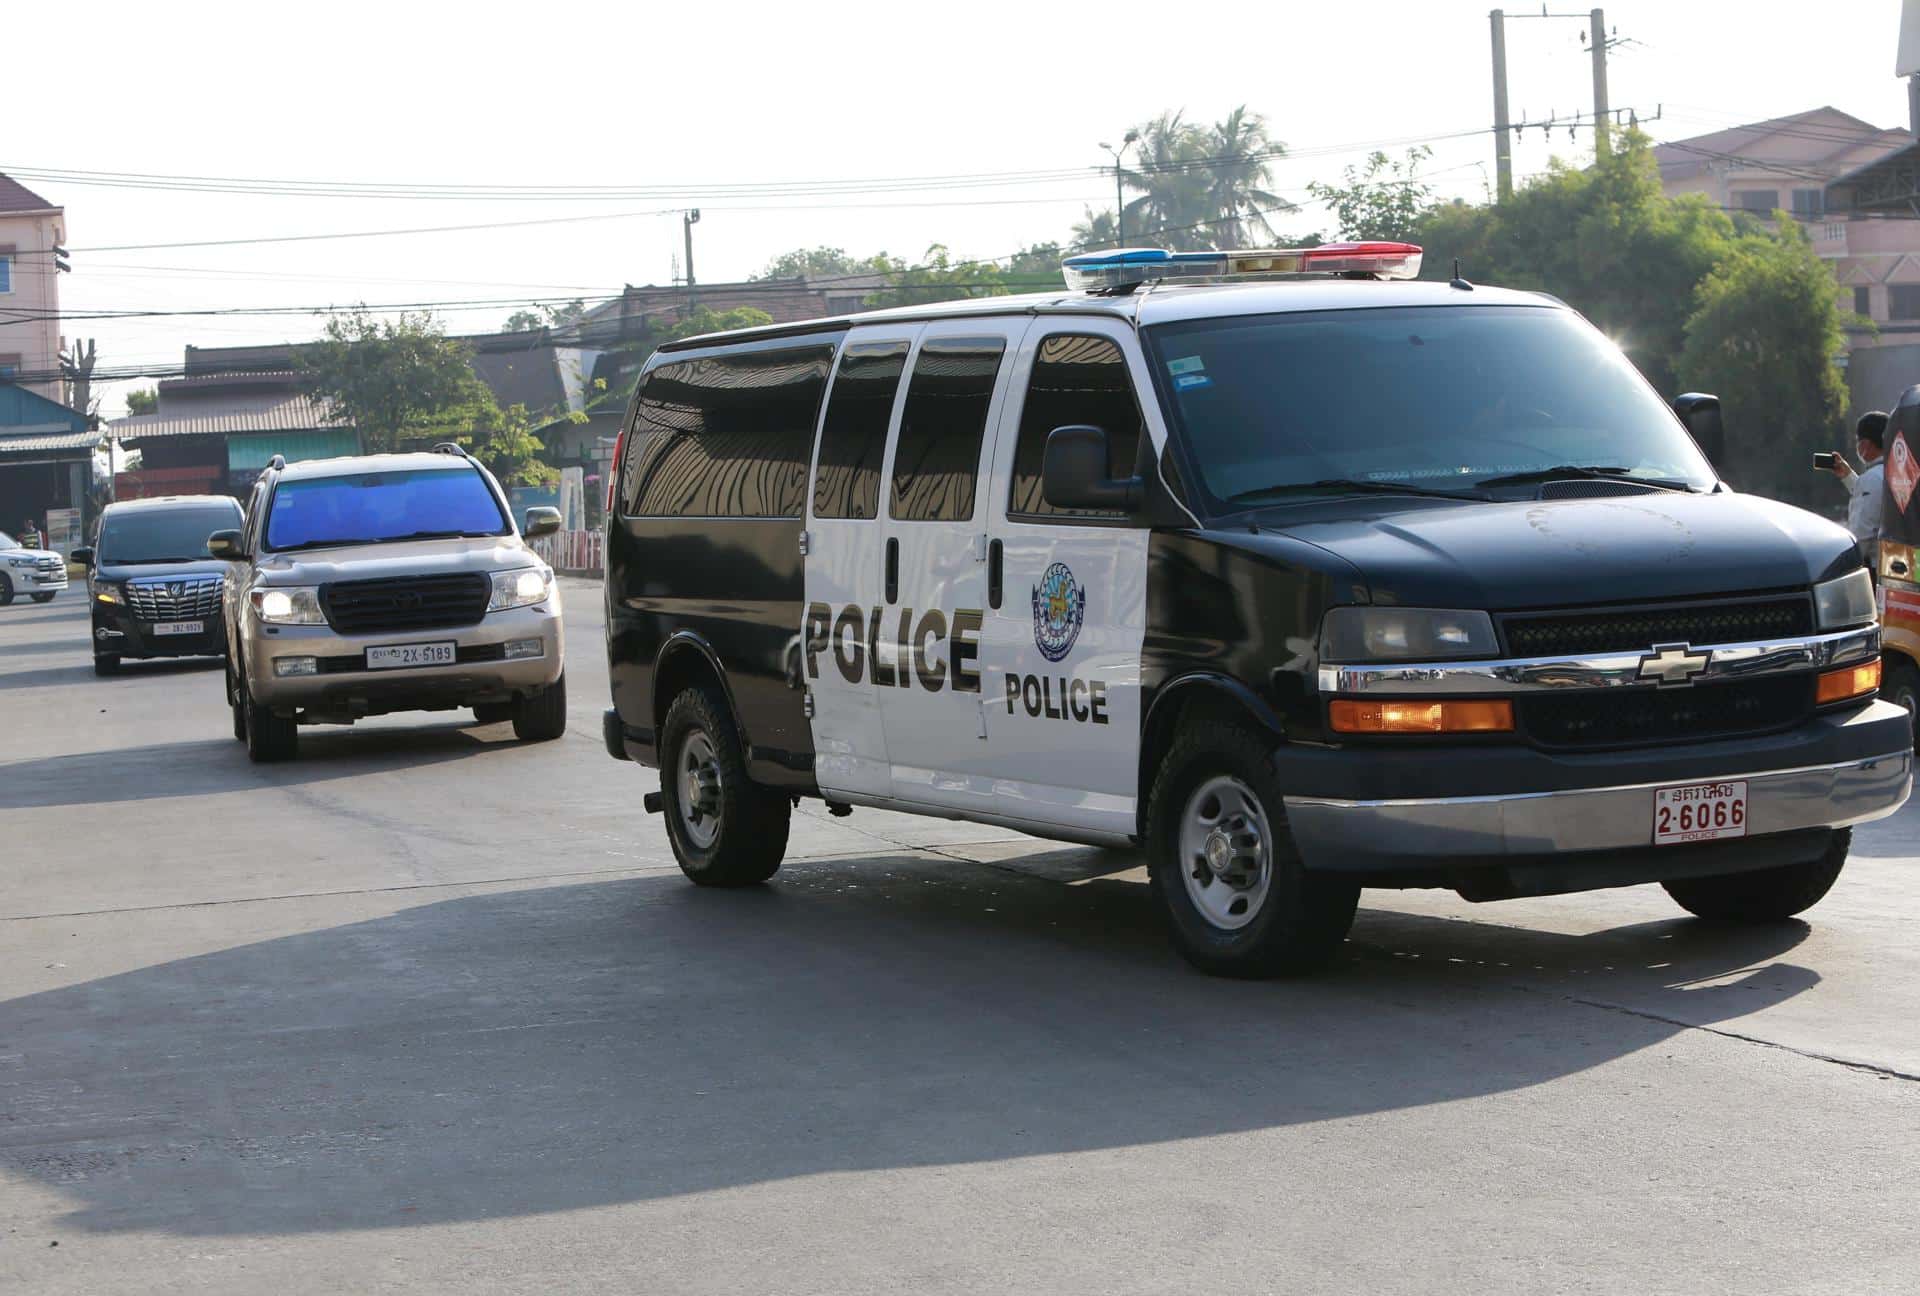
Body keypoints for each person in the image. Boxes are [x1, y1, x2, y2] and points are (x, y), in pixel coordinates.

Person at [1828, 410, 1888, 550]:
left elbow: (1861, 534)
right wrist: (1848, 476)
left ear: (1865, 445)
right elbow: (1877, 498)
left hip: (1876, 565)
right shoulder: (1900, 473)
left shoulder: (1871, 478)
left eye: (1858, 441)